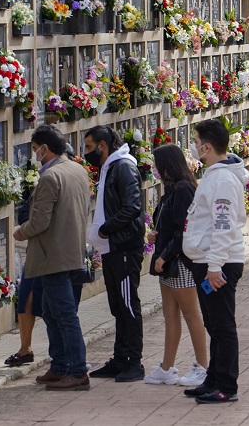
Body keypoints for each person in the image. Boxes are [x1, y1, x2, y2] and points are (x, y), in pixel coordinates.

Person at [13, 125, 91, 391]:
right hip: (73, 251)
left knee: (65, 315)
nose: (35, 155)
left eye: (36, 150)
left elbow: (39, 222)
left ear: (45, 148)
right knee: (50, 311)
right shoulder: (78, 170)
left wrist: (19, 232)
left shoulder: (50, 177)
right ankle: (59, 366)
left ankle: (78, 370)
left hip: (53, 256)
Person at [182, 119, 248, 404]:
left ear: (207, 147)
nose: (194, 148)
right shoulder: (214, 175)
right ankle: (214, 378)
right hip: (208, 262)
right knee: (213, 324)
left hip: (218, 264)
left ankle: (227, 386)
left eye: (196, 144)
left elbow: (223, 225)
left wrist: (214, 266)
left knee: (222, 325)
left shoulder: (222, 180)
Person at [84, 125, 147, 383]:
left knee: (128, 304)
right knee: (118, 306)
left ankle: (135, 361)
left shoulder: (123, 167)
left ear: (102, 145)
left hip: (123, 247)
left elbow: (132, 207)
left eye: (89, 147)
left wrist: (106, 230)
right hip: (111, 248)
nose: (86, 153)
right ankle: (120, 358)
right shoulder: (110, 166)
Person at [144, 144, 209, 387]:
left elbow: (186, 230)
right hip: (167, 262)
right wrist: (155, 236)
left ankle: (203, 366)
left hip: (179, 262)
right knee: (170, 315)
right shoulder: (171, 189)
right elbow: (169, 224)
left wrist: (165, 255)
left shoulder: (183, 189)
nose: (155, 169)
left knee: (191, 314)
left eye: (157, 164)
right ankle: (166, 367)